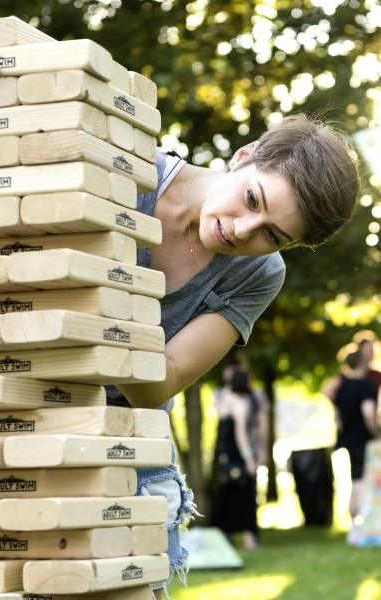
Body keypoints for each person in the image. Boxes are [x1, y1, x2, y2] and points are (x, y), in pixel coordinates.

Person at [105, 113, 361, 597]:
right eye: (252, 199)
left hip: (125, 440)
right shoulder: (126, 172)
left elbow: (165, 377)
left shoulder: (259, 274)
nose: (244, 231)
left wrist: (96, 304)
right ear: (244, 157)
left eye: (273, 235)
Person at [332, 350, 379, 542]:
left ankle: (354, 527)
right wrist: (376, 433)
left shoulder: (341, 387)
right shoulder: (366, 387)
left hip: (348, 439)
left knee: (355, 481)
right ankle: (361, 528)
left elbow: (337, 416)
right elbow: (368, 412)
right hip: (364, 440)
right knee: (363, 482)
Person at [210, 369, 260, 550]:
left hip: (226, 457)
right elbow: (241, 434)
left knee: (227, 497)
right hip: (238, 456)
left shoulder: (223, 402)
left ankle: (223, 536)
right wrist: (249, 459)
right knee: (246, 498)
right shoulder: (242, 403)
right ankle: (249, 540)